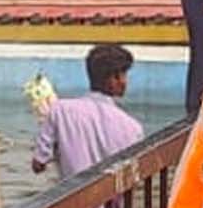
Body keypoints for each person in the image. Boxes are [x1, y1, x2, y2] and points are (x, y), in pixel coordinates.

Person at [31, 43, 144, 180]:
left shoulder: (59, 111)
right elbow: (132, 179)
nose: (125, 81)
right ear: (114, 78)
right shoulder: (133, 128)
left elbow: (38, 165)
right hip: (110, 200)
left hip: (72, 198)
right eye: (124, 75)